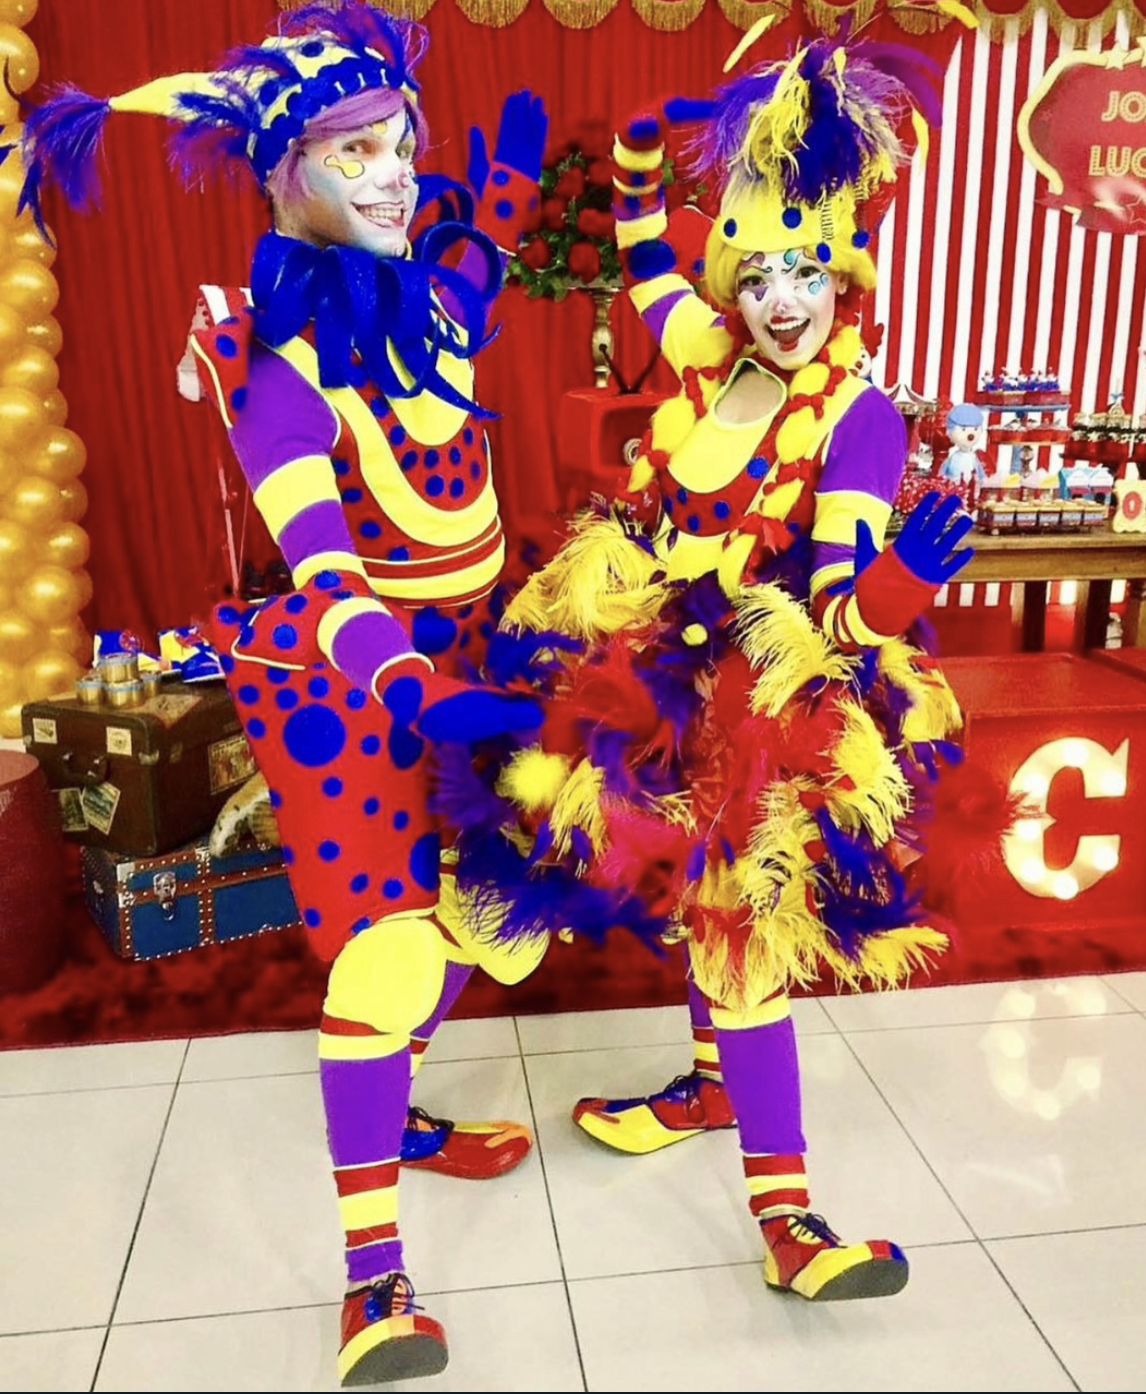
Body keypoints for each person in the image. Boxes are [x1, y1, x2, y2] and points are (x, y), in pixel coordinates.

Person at [11, 3, 554, 1382]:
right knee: (385, 957)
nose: (392, 174)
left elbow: (476, 270)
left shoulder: (431, 305)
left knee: (500, 915)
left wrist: (504, 195)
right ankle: (374, 1280)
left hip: (476, 659)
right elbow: (325, 570)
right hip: (352, 689)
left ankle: (401, 1102)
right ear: (282, 173)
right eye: (353, 151)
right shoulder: (273, 372)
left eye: (401, 142)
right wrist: (410, 685)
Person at [440, 31, 989, 1304]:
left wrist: (901, 583)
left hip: (755, 699)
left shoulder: (857, 419)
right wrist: (650, 140)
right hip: (634, 662)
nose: (783, 300)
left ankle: (787, 1218)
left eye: (808, 272)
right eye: (761, 276)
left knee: (738, 926)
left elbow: (840, 608)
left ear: (845, 279)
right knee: (542, 856)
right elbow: (642, 239)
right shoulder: (709, 352)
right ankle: (680, 1086)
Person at [939, 402, 988, 486]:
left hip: (971, 486)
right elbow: (943, 472)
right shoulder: (953, 457)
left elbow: (980, 471)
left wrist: (982, 479)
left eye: (975, 429)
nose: (971, 435)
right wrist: (942, 480)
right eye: (963, 429)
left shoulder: (973, 457)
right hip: (954, 487)